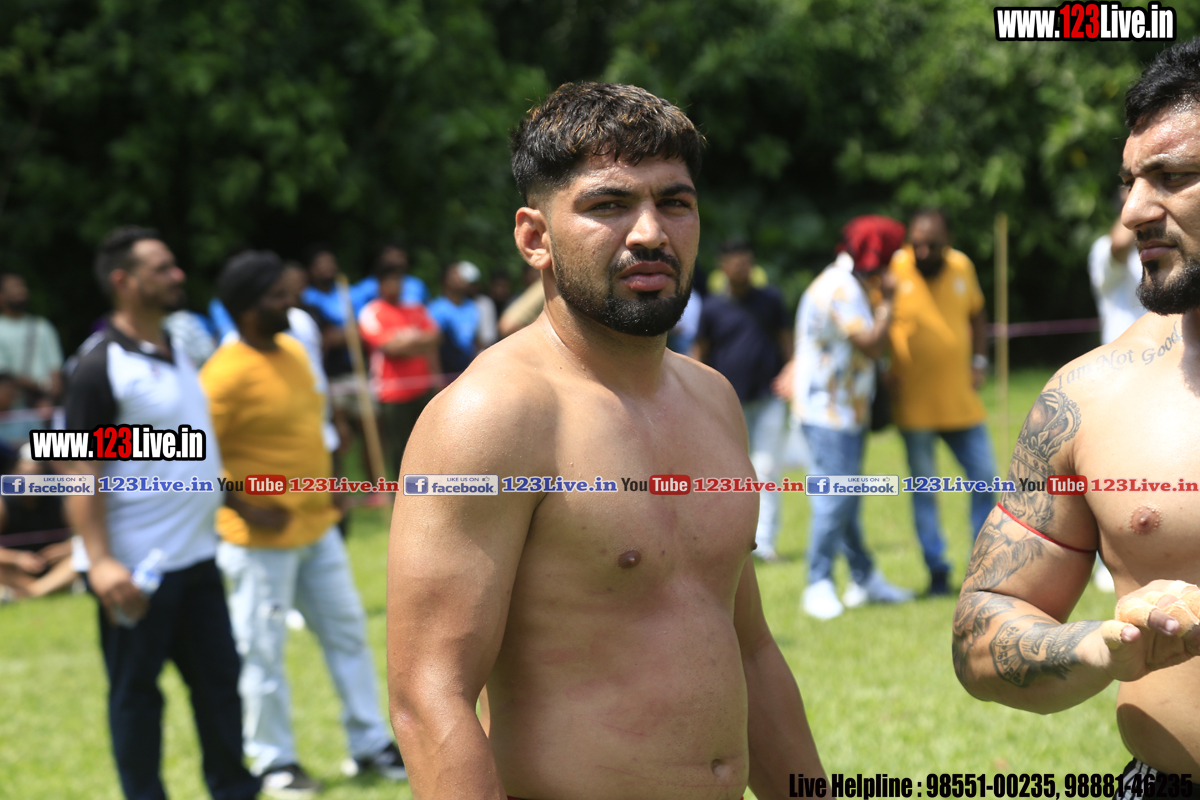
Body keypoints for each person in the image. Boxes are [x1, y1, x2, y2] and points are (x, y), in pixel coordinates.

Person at [388, 81, 824, 800]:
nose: (650, 233)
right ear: (535, 238)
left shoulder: (713, 399)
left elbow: (751, 651)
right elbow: (429, 696)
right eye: (609, 205)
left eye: (674, 202)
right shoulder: (491, 417)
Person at [953, 38, 1200, 794]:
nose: (1132, 212)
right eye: (1129, 182)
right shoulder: (1089, 397)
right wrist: (1100, 645)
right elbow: (985, 627)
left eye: (1172, 178)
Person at [62, 226, 259, 800]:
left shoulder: (179, 348)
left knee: (220, 686)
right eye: (162, 268)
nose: (178, 276)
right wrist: (100, 561)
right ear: (123, 281)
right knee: (137, 698)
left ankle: (235, 790)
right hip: (135, 571)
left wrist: (236, 500)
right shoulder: (99, 366)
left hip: (198, 560)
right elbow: (77, 466)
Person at [202, 250, 406, 798]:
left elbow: (315, 426)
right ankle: (275, 762)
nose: (292, 304)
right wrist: (243, 505)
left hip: (317, 529)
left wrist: (336, 480)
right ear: (247, 308)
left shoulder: (293, 351)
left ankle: (371, 744)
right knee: (261, 650)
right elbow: (193, 454)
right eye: (278, 296)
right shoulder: (222, 374)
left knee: (348, 632)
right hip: (258, 541)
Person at [784, 216, 914, 619]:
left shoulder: (849, 282)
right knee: (836, 497)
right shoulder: (841, 287)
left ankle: (864, 578)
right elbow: (871, 344)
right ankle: (817, 583)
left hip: (843, 410)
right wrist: (888, 301)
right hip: (829, 413)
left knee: (847, 498)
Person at [887, 209, 998, 595]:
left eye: (931, 245)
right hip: (913, 405)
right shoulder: (894, 267)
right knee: (925, 490)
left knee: (986, 480)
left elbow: (977, 313)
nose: (922, 251)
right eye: (916, 243)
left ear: (947, 242)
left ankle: (980, 567)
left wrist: (980, 360)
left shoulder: (961, 265)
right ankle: (936, 569)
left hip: (960, 401)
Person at [692, 239, 792, 562]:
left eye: (747, 263)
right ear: (723, 267)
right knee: (729, 473)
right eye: (736, 264)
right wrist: (696, 390)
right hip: (727, 403)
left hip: (768, 398)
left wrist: (791, 371)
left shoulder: (770, 300)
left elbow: (786, 342)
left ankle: (764, 543)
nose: (742, 269)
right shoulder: (712, 308)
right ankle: (730, 540)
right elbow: (700, 352)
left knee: (766, 468)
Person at [1087, 185, 1147, 594]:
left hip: (1164, 372)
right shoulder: (1103, 250)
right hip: (1118, 376)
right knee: (1112, 475)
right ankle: (1104, 561)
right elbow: (1119, 246)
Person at [357, 260, 440, 476]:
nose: (397, 284)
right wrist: (418, 342)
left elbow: (436, 337)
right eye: (391, 280)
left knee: (429, 442)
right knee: (399, 448)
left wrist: (406, 343)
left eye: (399, 279)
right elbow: (389, 347)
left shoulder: (416, 308)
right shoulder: (371, 312)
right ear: (380, 285)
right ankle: (401, 488)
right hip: (392, 391)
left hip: (422, 387)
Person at [0, 272, 64, 405]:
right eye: (13, 287)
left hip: (44, 408)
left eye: (22, 286)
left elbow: (56, 370)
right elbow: (5, 374)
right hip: (12, 409)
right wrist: (41, 386)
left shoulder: (42, 326)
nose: (21, 291)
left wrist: (49, 399)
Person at [426, 261, 482, 374]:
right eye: (455, 273)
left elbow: (476, 340)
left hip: (468, 370)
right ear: (446, 280)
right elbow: (431, 347)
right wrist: (437, 376)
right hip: (446, 372)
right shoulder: (436, 309)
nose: (460, 277)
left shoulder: (472, 307)